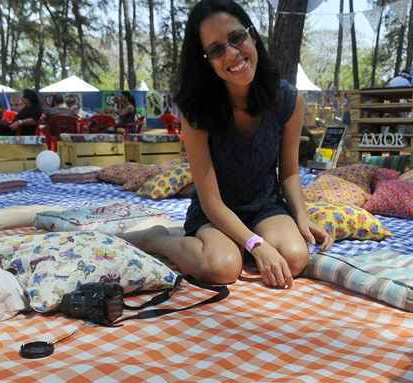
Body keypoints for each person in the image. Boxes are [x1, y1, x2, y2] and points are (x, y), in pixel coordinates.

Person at [122, 0, 332, 288]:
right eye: (217, 50)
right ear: (205, 61)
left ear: (252, 35)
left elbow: (290, 174)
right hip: (215, 212)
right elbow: (210, 200)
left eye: (236, 38)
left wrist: (302, 216)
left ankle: (249, 241)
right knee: (222, 268)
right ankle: (157, 239)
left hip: (264, 206)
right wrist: (258, 246)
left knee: (295, 258)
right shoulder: (197, 111)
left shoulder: (287, 101)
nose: (232, 53)